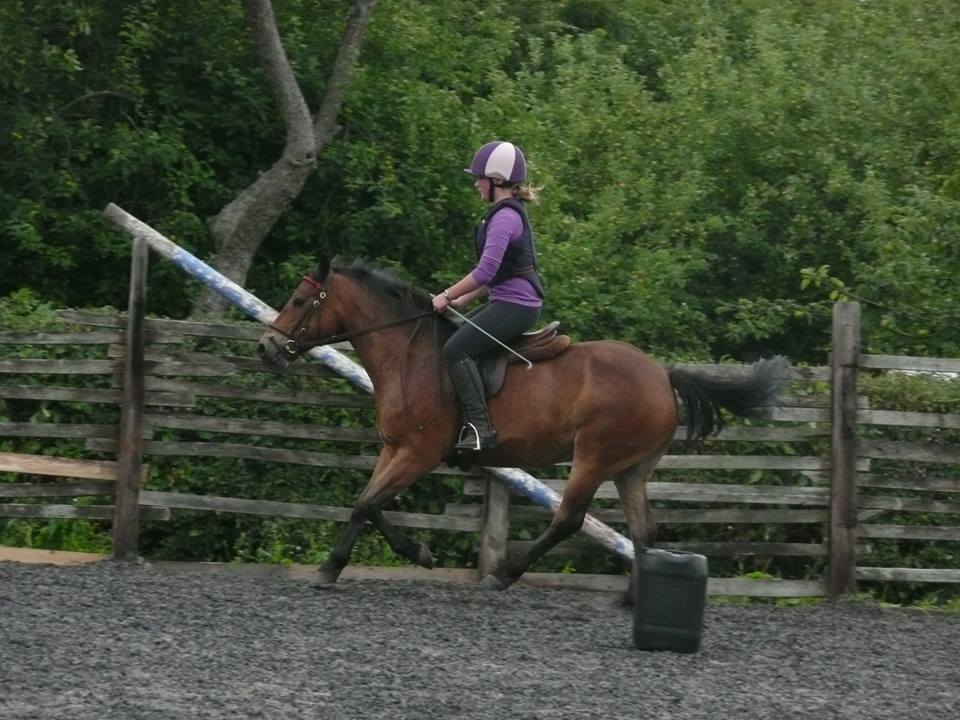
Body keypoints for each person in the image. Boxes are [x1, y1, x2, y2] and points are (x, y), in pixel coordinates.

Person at [432, 140, 545, 451]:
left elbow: (484, 272)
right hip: (507, 300)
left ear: (497, 180)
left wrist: (445, 294)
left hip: (517, 306)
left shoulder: (504, 218)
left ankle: (481, 428)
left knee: (455, 350)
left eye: (480, 176)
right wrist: (462, 300)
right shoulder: (502, 214)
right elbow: (494, 274)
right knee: (455, 337)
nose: (476, 182)